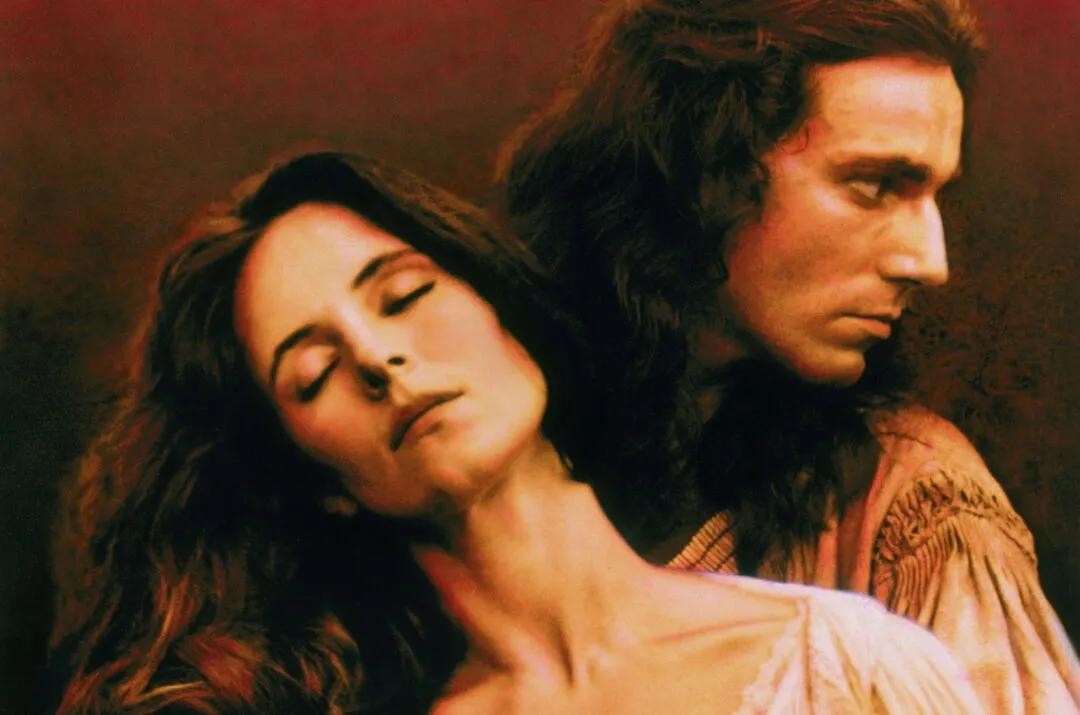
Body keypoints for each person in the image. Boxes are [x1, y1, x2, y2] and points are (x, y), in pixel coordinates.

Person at [49, 151, 984, 714]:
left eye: (403, 295)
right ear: (318, 482)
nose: (378, 358)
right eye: (314, 374)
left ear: (507, 310)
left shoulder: (847, 663)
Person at [498, 0, 1080, 713]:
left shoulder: (918, 511)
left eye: (934, 196)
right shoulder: (488, 446)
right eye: (876, 185)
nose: (930, 262)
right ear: (707, 171)